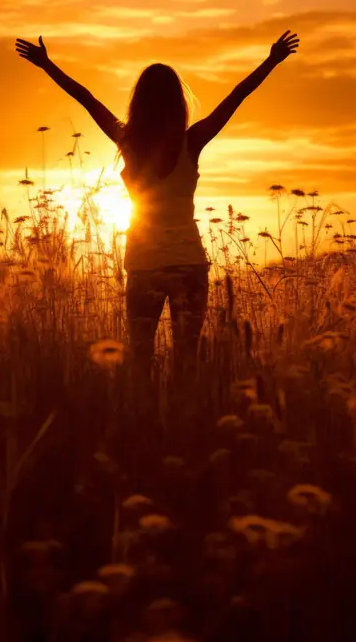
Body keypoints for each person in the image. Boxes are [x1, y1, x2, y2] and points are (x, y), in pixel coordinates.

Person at [15, 30, 299, 385]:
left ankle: (144, 427)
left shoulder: (127, 141)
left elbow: (85, 98)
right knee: (186, 361)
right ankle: (182, 431)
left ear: (140, 102)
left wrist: (47, 65)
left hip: (144, 265)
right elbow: (235, 96)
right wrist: (271, 61)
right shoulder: (191, 141)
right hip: (188, 266)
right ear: (177, 103)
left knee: (140, 359)